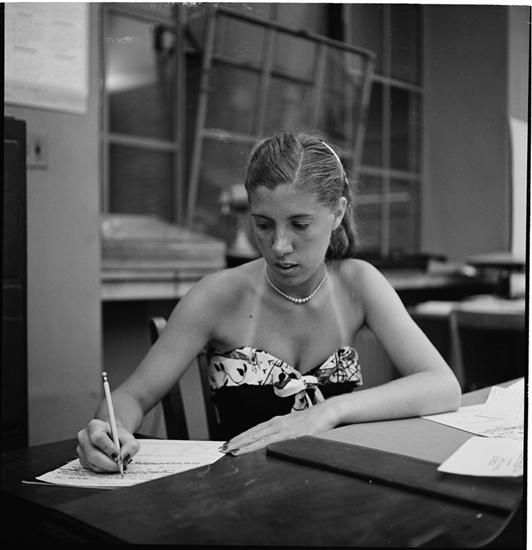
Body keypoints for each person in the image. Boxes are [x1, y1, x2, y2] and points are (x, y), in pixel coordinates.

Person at [77, 132, 461, 472]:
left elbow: (442, 385)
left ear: (337, 213)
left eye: (299, 224)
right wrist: (107, 432)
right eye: (263, 224)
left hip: (335, 487)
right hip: (241, 494)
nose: (279, 246)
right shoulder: (218, 295)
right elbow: (133, 396)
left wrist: (329, 411)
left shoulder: (358, 283)